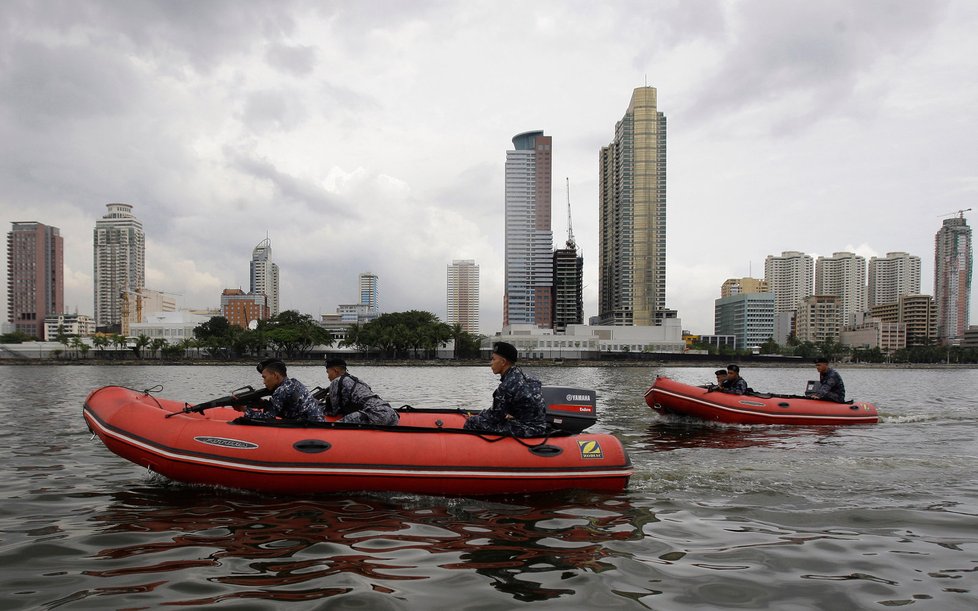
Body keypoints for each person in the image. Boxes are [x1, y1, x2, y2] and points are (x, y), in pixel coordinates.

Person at [463, 342, 547, 437]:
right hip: (542, 427)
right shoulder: (529, 377)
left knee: (472, 422)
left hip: (526, 430)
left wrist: (479, 415)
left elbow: (494, 418)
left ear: (503, 362)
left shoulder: (506, 386)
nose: (491, 363)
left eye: (493, 359)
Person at [238, 358, 324, 423]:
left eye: (265, 377)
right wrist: (262, 404)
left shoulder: (282, 390)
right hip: (317, 422)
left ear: (275, 375)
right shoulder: (293, 383)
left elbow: (268, 418)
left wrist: (245, 410)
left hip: (310, 427)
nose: (264, 382)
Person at [321, 357, 399, 425]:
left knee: (335, 426)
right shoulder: (357, 380)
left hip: (375, 414)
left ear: (335, 370)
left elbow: (335, 411)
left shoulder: (336, 381)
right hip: (392, 414)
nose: (328, 376)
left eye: (328, 372)